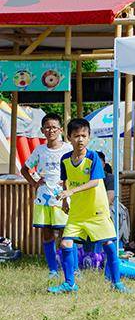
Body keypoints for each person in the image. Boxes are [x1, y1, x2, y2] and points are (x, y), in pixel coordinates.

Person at [49, 118, 128, 294]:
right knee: (65, 244)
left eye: (84, 135)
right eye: (76, 136)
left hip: (97, 210)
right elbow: (65, 182)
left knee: (108, 244)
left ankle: (117, 283)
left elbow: (94, 182)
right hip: (77, 212)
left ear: (89, 137)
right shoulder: (65, 160)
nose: (80, 139)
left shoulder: (92, 157)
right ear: (68, 137)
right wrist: (64, 201)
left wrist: (71, 192)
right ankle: (70, 284)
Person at [21, 113, 73, 278]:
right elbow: (25, 169)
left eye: (54, 127)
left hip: (63, 197)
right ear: (43, 130)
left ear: (61, 130)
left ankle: (72, 269)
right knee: (47, 234)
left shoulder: (68, 149)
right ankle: (52, 270)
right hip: (44, 198)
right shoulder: (39, 150)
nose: (51, 130)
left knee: (67, 233)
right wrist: (35, 183)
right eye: (47, 127)